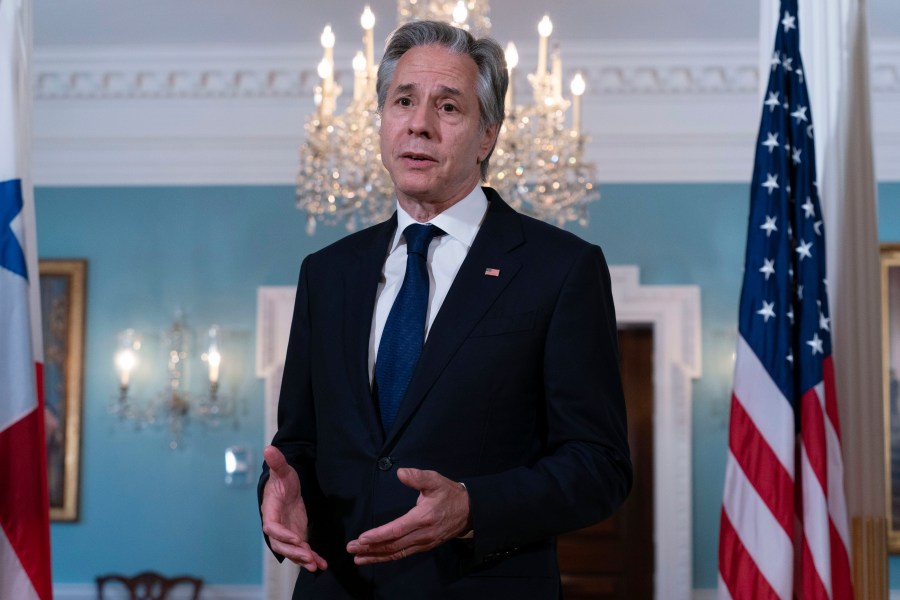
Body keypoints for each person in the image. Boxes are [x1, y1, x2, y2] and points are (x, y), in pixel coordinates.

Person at [258, 19, 632, 599]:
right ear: (382, 119)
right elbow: (301, 443)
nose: (419, 124)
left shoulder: (561, 269)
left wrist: (472, 507)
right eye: (403, 100)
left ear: (487, 136)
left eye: (449, 107)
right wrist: (281, 488)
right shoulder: (327, 273)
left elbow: (599, 466)